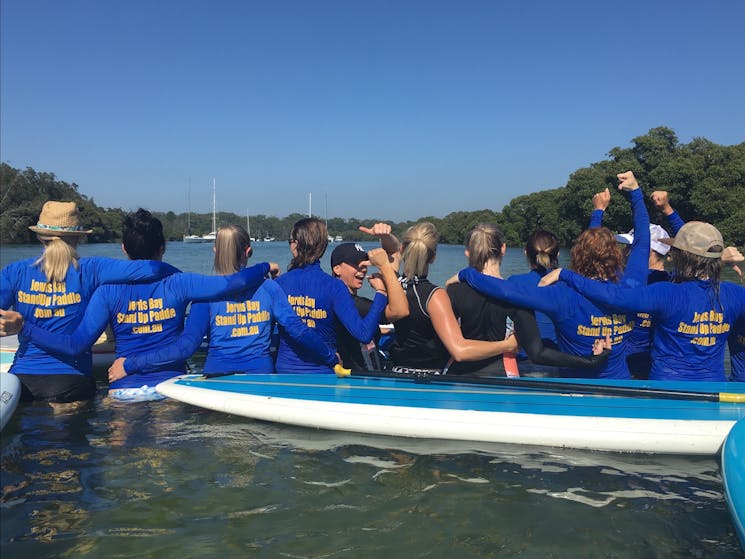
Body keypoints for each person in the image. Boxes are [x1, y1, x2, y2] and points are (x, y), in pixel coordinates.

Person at [18, 209, 277, 401]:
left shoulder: (107, 291)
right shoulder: (179, 283)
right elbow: (231, 284)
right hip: (171, 389)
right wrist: (265, 267)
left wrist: (24, 327)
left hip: (123, 389)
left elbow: (75, 345)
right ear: (163, 248)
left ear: (123, 249)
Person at [457, 172, 651, 379]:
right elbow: (642, 241)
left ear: (577, 257)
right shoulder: (633, 286)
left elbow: (507, 291)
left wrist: (467, 273)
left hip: (573, 389)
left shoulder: (563, 295)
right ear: (617, 255)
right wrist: (636, 194)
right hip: (620, 384)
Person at [0, 201, 178, 405]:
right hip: (71, 383)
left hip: (22, 382)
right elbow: (150, 269)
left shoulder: (14, 272)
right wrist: (184, 282)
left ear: (40, 236)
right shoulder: (93, 268)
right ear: (78, 238)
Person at [107, 225, 338, 377]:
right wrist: (328, 355)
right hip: (259, 376)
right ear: (248, 251)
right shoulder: (269, 288)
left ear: (215, 251)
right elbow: (297, 329)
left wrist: (129, 365)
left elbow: (185, 347)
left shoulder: (204, 295)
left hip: (217, 378)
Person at [540, 221, 745, 382]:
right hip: (715, 388)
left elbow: (616, 298)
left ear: (683, 257)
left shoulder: (665, 293)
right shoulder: (735, 294)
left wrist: (567, 275)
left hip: (667, 390)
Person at [446, 223, 610, 376]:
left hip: (457, 373)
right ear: (503, 249)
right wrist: (589, 361)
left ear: (467, 252)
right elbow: (537, 353)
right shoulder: (518, 295)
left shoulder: (452, 290)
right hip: (501, 374)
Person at [386, 221, 518, 374]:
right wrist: (507, 345)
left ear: (402, 250)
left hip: (399, 371)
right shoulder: (434, 295)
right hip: (431, 376)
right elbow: (459, 350)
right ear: (433, 257)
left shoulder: (392, 286)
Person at [651, 190, 745, 381]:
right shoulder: (672, 284)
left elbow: (692, 246)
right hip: (727, 388)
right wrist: (668, 210)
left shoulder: (667, 287)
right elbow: (692, 243)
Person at [274, 217, 388, 374]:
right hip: (322, 373)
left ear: (295, 245)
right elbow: (364, 334)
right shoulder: (334, 287)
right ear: (323, 247)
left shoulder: (279, 284)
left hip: (285, 371)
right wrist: (381, 294)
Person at [590, 190, 673, 378]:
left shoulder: (623, 281)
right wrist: (668, 209)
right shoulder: (674, 283)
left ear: (648, 251)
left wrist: (598, 211)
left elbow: (592, 253)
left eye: (629, 247)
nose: (624, 251)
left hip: (620, 365)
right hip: (656, 368)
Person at [330, 223, 409, 371]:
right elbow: (400, 311)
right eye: (355, 264)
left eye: (365, 263)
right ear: (337, 268)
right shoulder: (356, 305)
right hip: (359, 380)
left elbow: (395, 255)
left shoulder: (332, 296)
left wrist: (385, 237)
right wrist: (381, 290)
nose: (363, 268)